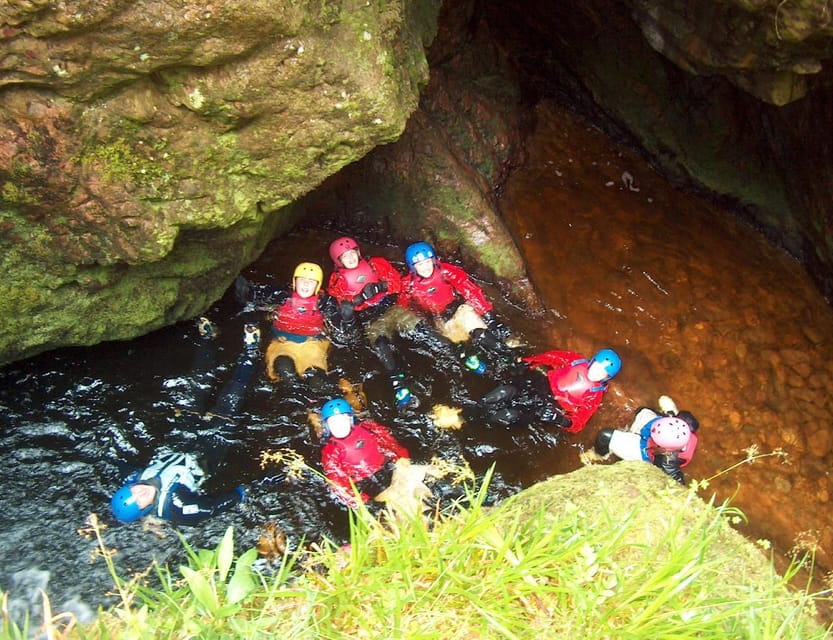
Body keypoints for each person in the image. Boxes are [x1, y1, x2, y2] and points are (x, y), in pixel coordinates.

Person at [109, 321, 259, 526]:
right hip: (208, 453)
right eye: (140, 499)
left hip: (182, 440)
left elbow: (117, 463)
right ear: (146, 510)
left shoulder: (134, 478)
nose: (140, 491)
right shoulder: (177, 506)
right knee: (232, 396)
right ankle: (250, 353)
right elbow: (213, 507)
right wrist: (249, 490)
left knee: (196, 386)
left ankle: (207, 340)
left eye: (133, 491)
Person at [326, 236, 471, 407]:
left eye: (352, 253)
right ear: (339, 260)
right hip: (370, 319)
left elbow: (396, 282)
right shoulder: (337, 281)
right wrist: (356, 300)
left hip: (391, 308)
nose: (351, 258)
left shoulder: (376, 264)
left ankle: (457, 351)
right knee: (380, 344)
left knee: (419, 328)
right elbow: (342, 307)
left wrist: (381, 287)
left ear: (358, 252)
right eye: (345, 256)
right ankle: (397, 381)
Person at [399, 241, 518, 375]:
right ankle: (487, 369)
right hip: (441, 320)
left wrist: (489, 317)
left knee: (479, 332)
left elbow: (470, 291)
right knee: (459, 350)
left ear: (433, 260)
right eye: (420, 264)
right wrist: (422, 323)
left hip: (459, 310)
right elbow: (404, 307)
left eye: (428, 262)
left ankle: (509, 355)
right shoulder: (408, 285)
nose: (426, 267)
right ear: (413, 267)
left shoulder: (446, 272)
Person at [234, 263, 342, 404]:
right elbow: (258, 296)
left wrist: (347, 318)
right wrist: (247, 293)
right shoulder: (282, 295)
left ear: (318, 285)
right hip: (282, 342)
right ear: (294, 281)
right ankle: (295, 404)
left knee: (317, 381)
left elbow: (340, 329)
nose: (305, 284)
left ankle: (329, 408)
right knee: (284, 369)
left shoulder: (325, 303)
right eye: (301, 280)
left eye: (311, 281)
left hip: (313, 344)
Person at [471, 348, 621, 431]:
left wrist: (560, 419)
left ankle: (479, 423)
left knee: (508, 415)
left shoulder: (594, 396)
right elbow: (550, 357)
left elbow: (578, 424)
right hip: (539, 384)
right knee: (503, 392)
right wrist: (528, 362)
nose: (596, 373)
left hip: (549, 406)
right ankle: (471, 411)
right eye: (597, 366)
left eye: (603, 373)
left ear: (607, 378)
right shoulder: (575, 360)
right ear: (592, 361)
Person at [319, 397, 410, 508]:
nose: (339, 426)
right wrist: (363, 502)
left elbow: (389, 442)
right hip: (365, 485)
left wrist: (401, 457)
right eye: (333, 423)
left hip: (386, 469)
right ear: (327, 427)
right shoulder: (331, 451)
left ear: (350, 419)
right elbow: (337, 483)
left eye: (342, 420)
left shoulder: (368, 428)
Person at [594, 396, 700, 484]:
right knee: (642, 411)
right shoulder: (685, 426)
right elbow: (688, 418)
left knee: (605, 436)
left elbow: (676, 482)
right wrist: (671, 414)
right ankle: (670, 412)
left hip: (644, 451)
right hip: (655, 439)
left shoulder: (666, 461)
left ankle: (599, 456)